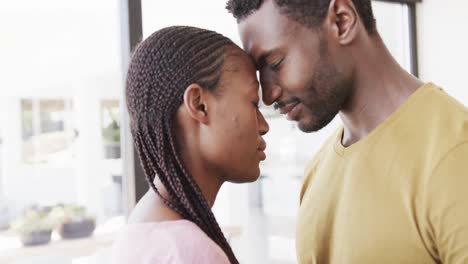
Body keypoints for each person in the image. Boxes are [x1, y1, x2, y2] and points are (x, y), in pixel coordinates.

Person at [226, 0, 468, 263]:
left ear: (342, 21)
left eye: (275, 63)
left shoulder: (455, 154)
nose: (269, 95)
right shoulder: (316, 172)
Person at [111, 26, 269, 264]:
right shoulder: (188, 252)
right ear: (199, 105)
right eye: (253, 103)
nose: (264, 125)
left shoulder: (139, 227)